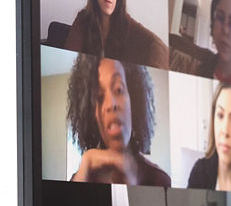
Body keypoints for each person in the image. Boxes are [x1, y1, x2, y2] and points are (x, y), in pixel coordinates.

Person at [66, 55, 170, 187]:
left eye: (119, 90)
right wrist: (87, 162)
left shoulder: (160, 181)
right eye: (99, 96)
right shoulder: (82, 177)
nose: (111, 104)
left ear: (133, 99)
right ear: (91, 115)